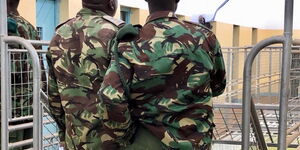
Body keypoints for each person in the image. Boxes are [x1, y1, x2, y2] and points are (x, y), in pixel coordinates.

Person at [98, 0, 226, 149]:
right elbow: (218, 86)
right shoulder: (204, 37)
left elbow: (111, 97)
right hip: (197, 142)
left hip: (149, 143)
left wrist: (124, 136)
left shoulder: (131, 43)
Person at [46, 0, 124, 149]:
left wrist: (64, 133)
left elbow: (54, 96)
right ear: (111, 3)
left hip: (73, 139)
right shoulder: (118, 33)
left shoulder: (59, 34)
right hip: (111, 142)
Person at [6, 0, 40, 149]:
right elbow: (41, 69)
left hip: (11, 109)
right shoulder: (30, 28)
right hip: (31, 107)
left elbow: (11, 70)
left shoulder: (6, 28)